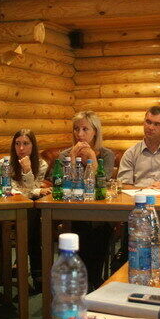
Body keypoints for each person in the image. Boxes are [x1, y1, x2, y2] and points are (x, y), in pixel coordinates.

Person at [57, 111, 116, 289]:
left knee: (98, 227)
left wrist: (92, 159)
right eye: (76, 129)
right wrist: (72, 159)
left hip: (100, 210)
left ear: (95, 131)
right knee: (81, 226)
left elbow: (101, 183)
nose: (80, 134)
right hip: (73, 208)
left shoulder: (106, 154)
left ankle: (92, 280)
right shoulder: (65, 155)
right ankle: (83, 281)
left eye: (85, 129)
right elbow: (63, 184)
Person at [9, 129, 50, 292]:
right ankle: (37, 273)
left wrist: (27, 171)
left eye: (26, 143)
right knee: (32, 217)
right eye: (17, 144)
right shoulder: (7, 163)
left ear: (33, 146)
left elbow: (31, 189)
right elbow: (12, 190)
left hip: (29, 209)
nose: (21, 148)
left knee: (32, 215)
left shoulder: (41, 164)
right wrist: (34, 190)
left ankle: (20, 262)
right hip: (10, 206)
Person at [117, 106, 160, 191]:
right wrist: (146, 190)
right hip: (138, 197)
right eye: (148, 122)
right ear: (143, 122)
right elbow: (123, 185)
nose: (151, 127)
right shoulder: (130, 153)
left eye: (157, 124)